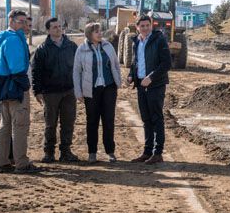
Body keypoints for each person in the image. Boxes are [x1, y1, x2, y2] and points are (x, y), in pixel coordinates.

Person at [0, 9, 37, 174]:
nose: (24, 25)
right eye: (21, 21)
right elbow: (17, 68)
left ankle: (3, 163)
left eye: (25, 22)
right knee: (20, 125)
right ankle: (21, 163)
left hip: (4, 88)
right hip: (15, 88)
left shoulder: (4, 39)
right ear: (11, 21)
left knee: (5, 125)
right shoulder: (14, 40)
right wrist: (25, 85)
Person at [32, 17, 79, 163]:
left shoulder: (71, 46)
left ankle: (66, 152)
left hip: (69, 91)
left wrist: (79, 88)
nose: (58, 29)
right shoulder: (42, 49)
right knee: (50, 124)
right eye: (55, 27)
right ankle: (49, 153)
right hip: (50, 92)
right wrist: (37, 91)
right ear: (48, 30)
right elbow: (36, 71)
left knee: (68, 123)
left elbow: (79, 68)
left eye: (60, 26)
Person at [73, 22, 122, 163]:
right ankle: (92, 152)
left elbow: (115, 64)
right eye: (97, 32)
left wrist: (118, 81)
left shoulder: (108, 46)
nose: (100, 34)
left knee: (108, 120)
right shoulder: (82, 50)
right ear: (89, 34)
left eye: (100, 31)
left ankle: (110, 151)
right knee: (92, 121)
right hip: (91, 90)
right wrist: (78, 92)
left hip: (109, 88)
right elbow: (76, 71)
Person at [127, 15, 171, 165]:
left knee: (156, 118)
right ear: (137, 27)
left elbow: (166, 63)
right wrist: (131, 75)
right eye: (142, 26)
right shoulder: (136, 42)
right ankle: (147, 152)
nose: (145, 28)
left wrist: (151, 77)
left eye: (148, 25)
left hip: (156, 85)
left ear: (151, 26)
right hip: (141, 85)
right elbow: (135, 62)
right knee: (146, 119)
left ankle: (158, 153)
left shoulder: (159, 40)